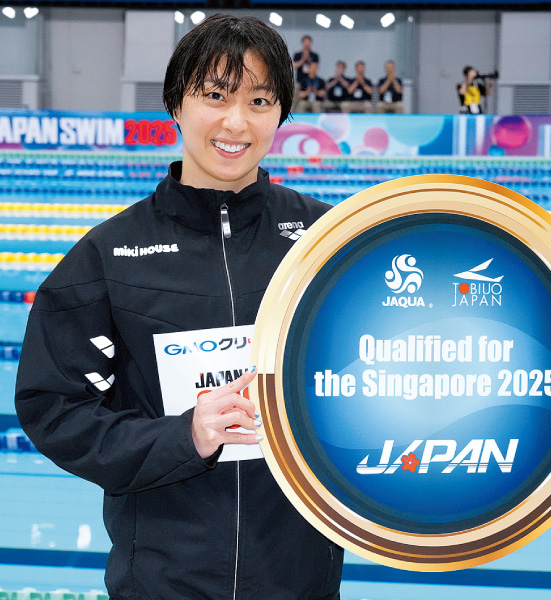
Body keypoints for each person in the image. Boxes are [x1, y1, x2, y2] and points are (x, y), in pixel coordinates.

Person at [15, 14, 344, 600]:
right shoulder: (110, 253)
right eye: (215, 96)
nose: (236, 122)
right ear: (176, 103)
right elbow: (53, 407)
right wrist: (184, 436)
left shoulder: (327, 239)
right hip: (162, 580)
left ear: (281, 114)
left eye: (259, 101)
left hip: (299, 578)